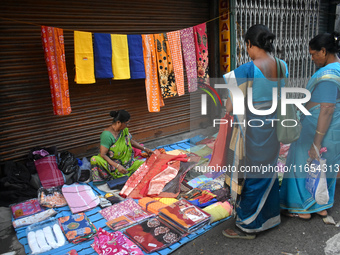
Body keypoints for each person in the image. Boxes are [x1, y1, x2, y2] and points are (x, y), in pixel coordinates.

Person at [221, 24, 288, 239]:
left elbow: (230, 107)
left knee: (250, 175)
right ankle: (269, 218)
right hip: (274, 127)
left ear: (249, 44)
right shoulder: (282, 65)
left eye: (246, 46)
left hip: (253, 131)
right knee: (268, 172)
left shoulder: (246, 70)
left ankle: (248, 225)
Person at [280, 32, 340, 220]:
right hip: (334, 128)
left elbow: (327, 109)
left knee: (303, 163)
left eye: (314, 54)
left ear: (324, 51)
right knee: (325, 165)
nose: (312, 58)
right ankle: (320, 206)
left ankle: (303, 208)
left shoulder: (329, 75)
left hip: (320, 127)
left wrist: (316, 141)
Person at [91, 110, 153, 185]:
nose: (127, 125)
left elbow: (130, 141)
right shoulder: (106, 135)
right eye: (126, 123)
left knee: (149, 164)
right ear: (118, 122)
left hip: (128, 163)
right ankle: (115, 176)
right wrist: (117, 166)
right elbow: (103, 154)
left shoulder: (123, 131)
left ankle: (124, 174)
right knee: (94, 159)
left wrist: (145, 149)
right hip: (113, 165)